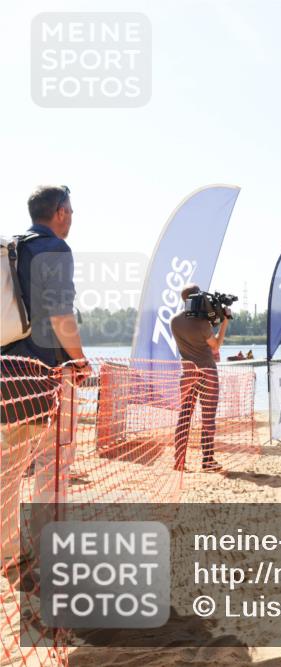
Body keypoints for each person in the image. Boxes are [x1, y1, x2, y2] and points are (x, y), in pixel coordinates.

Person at [1, 186, 91, 576]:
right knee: (53, 466)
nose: (72, 217)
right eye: (70, 211)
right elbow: (60, 315)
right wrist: (81, 360)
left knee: (9, 466)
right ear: (59, 212)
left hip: (7, 370)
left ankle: (7, 554)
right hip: (46, 374)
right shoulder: (54, 248)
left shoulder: (14, 250)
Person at [171, 284, 231, 472]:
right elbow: (215, 346)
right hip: (208, 373)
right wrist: (224, 323)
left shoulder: (174, 321)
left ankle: (179, 460)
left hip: (187, 372)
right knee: (208, 418)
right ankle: (208, 461)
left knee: (184, 416)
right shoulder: (202, 323)